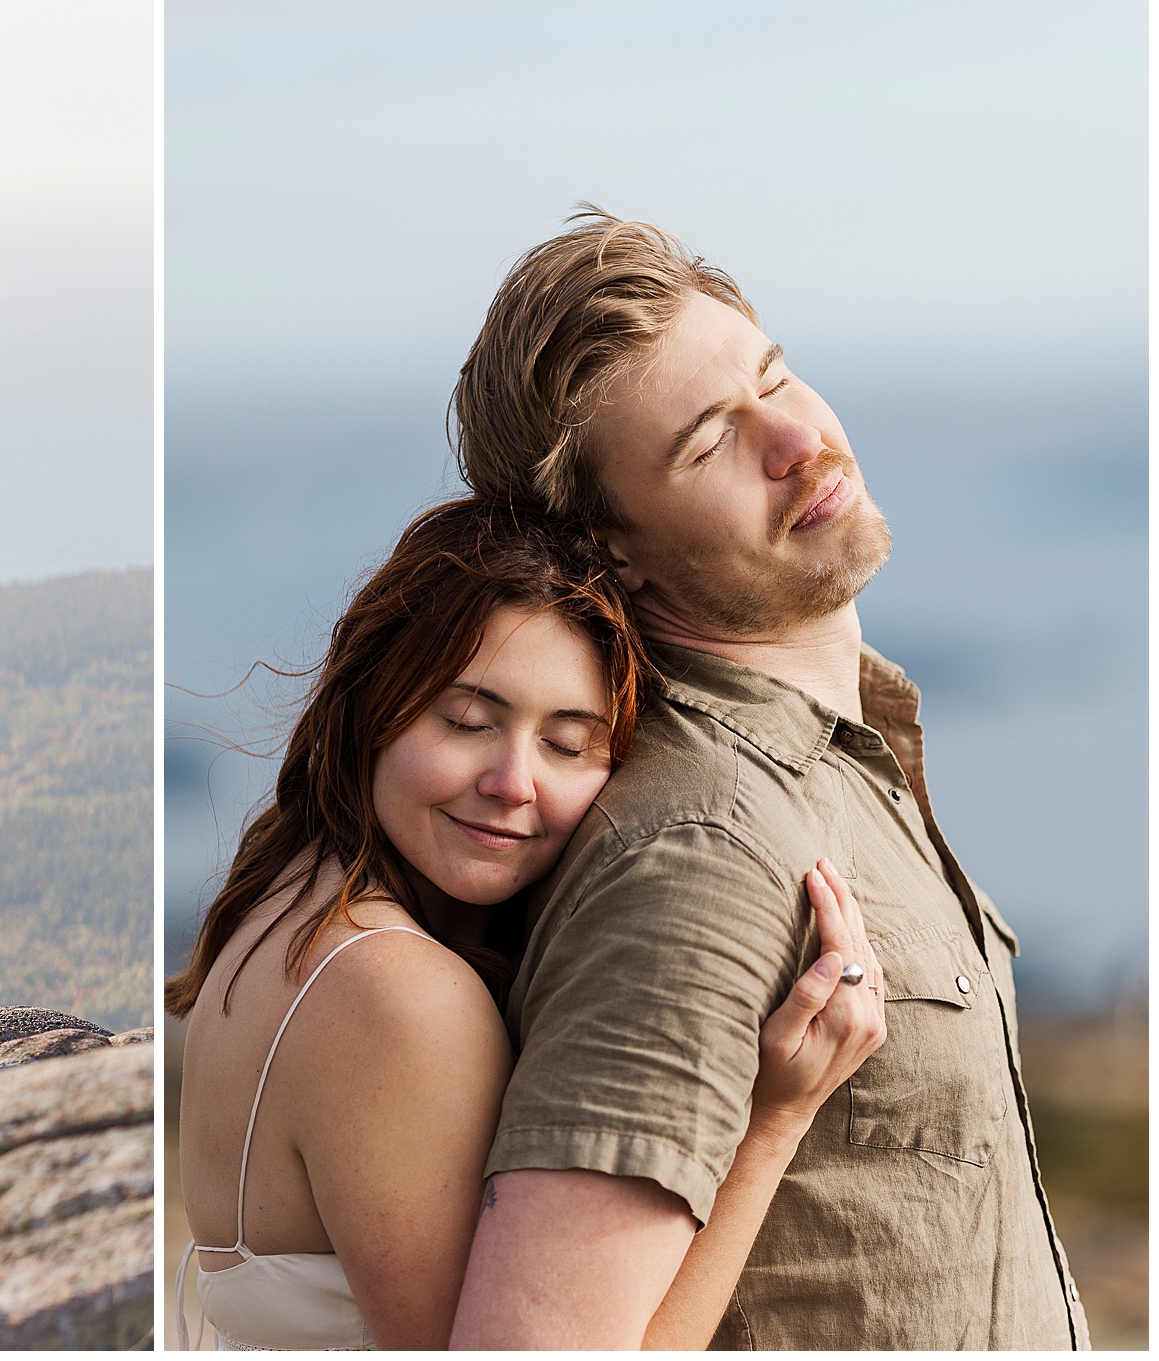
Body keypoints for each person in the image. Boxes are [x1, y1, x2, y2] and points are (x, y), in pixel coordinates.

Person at [446, 209, 1086, 1349]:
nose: (792, 439)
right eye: (707, 444)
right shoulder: (700, 854)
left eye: (773, 376)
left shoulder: (832, 761)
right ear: (614, 555)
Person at [169, 502, 886, 1350]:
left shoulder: (283, 905)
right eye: (468, 722)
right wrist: (773, 1122)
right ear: (375, 706)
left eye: (569, 744)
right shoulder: (399, 995)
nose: (514, 781)